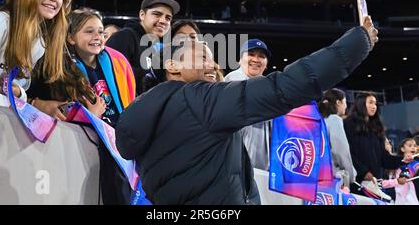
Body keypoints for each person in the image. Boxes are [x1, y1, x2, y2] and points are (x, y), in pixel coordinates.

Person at [115, 17, 379, 204]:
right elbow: (285, 87)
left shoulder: (144, 112)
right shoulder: (201, 99)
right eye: (203, 56)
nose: (213, 63)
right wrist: (358, 43)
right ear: (172, 65)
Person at [29, 8, 136, 204]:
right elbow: (54, 107)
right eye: (89, 31)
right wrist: (90, 116)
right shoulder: (58, 68)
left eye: (101, 32)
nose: (98, 36)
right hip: (87, 141)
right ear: (70, 38)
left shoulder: (115, 64)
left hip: (117, 135)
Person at [106, 0, 180, 94]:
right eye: (157, 14)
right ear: (142, 15)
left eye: (168, 18)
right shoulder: (125, 37)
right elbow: (110, 78)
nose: (163, 21)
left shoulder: (154, 49)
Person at [344, 92, 415, 195]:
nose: (374, 107)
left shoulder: (376, 127)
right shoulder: (348, 124)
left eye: (375, 104)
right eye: (371, 103)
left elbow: (384, 158)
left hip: (375, 183)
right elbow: (347, 153)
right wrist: (363, 172)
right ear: (361, 104)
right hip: (356, 183)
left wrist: (403, 159)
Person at [225, 39, 271, 171]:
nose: (256, 59)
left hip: (259, 165)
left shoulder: (265, 84)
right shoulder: (233, 78)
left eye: (261, 56)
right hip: (234, 164)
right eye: (251, 54)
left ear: (266, 64)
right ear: (240, 60)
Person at [318, 88, 356, 187]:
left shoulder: (318, 120)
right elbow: (341, 151)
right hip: (332, 177)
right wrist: (350, 175)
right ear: (338, 102)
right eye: (345, 102)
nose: (346, 106)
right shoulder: (334, 120)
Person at [381, 138, 419, 205]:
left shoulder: (416, 164)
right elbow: (383, 184)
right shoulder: (393, 166)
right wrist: (397, 181)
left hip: (412, 201)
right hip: (396, 201)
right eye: (410, 145)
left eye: (415, 146)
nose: (413, 147)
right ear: (402, 149)